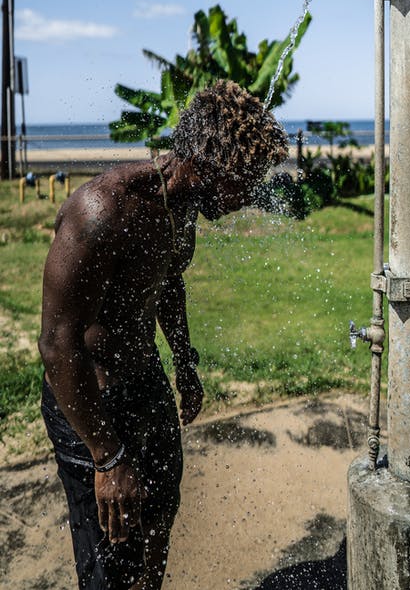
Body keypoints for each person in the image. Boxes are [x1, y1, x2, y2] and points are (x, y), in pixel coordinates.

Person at [39, 80, 289, 590]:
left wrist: (184, 362)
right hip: (92, 401)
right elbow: (57, 344)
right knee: (113, 563)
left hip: (145, 383)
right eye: (242, 180)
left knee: (158, 523)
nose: (245, 197)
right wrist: (107, 457)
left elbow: (167, 282)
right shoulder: (101, 211)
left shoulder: (183, 210)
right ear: (207, 159)